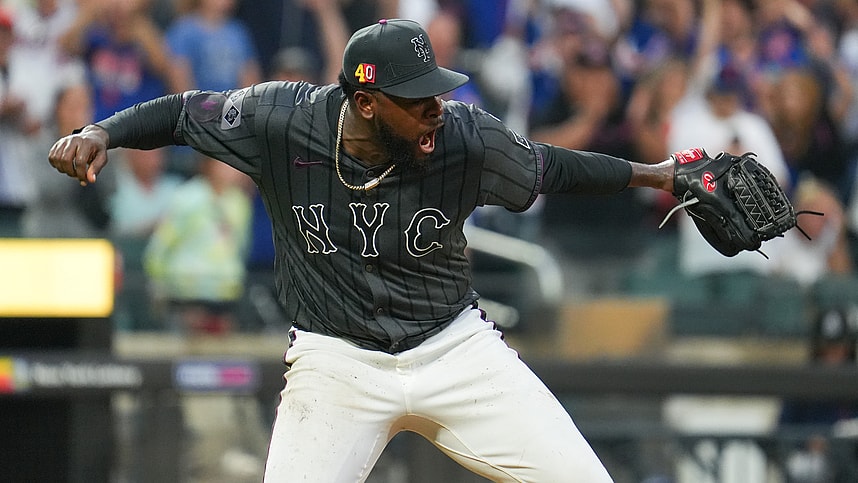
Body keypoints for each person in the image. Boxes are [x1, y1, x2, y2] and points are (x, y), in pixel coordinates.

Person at [49, 18, 685, 482]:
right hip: (336, 363)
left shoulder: (464, 135)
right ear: (366, 103)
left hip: (454, 350)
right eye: (418, 99)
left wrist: (661, 175)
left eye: (438, 89)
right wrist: (102, 131)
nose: (438, 107)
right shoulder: (284, 119)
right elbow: (186, 112)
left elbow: (550, 166)